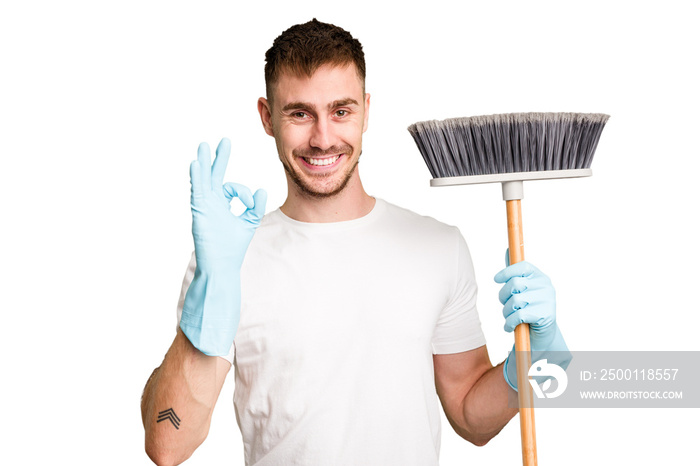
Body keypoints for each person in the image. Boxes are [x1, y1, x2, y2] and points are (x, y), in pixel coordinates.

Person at [141, 18, 571, 466]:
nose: (323, 138)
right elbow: (167, 446)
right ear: (268, 117)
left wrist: (538, 362)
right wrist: (210, 299)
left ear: (366, 109)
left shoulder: (438, 246)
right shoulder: (228, 261)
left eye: (341, 111)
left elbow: (471, 417)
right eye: (300, 113)